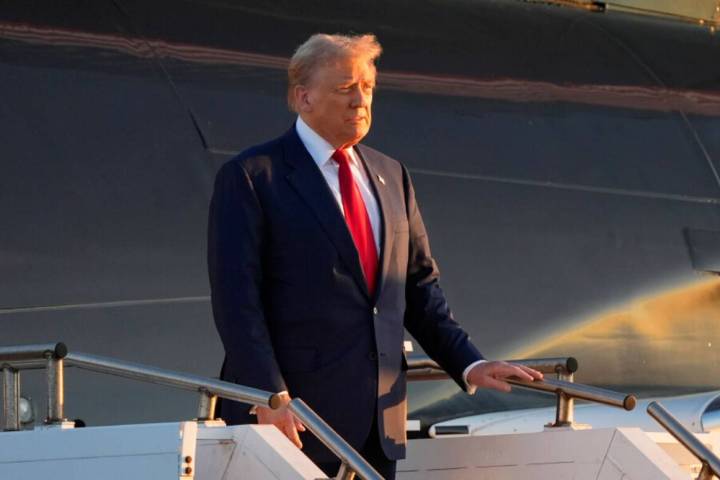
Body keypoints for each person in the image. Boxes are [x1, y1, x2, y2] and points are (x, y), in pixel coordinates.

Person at [207, 33, 543, 479]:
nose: (360, 100)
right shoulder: (253, 177)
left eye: (367, 88)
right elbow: (237, 302)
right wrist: (267, 397)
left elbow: (418, 289)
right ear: (302, 97)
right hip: (290, 420)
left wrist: (470, 362)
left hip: (378, 423)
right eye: (346, 88)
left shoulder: (391, 175)